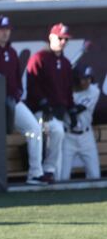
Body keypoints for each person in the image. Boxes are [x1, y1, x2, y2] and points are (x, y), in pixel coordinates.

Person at [0, 15, 46, 185]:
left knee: (34, 128)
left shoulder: (12, 52)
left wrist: (18, 93)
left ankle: (35, 173)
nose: (5, 33)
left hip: (12, 101)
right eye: (1, 30)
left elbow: (17, 79)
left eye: (7, 30)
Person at [26, 23, 78, 183]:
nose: (63, 42)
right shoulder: (39, 58)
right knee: (56, 131)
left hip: (59, 111)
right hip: (40, 110)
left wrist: (72, 109)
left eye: (65, 39)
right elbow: (32, 84)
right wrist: (42, 102)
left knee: (58, 136)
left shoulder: (66, 63)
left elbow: (67, 90)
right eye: (60, 38)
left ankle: (47, 175)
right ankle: (43, 171)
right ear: (51, 37)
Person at [60, 66, 101, 180]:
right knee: (62, 177)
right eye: (84, 79)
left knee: (95, 175)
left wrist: (67, 102)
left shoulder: (94, 91)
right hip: (67, 137)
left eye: (89, 78)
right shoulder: (65, 91)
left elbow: (76, 109)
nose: (87, 82)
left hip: (86, 136)